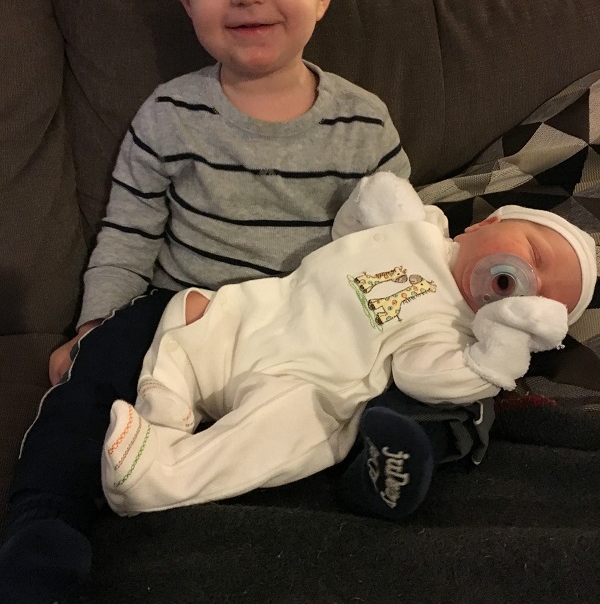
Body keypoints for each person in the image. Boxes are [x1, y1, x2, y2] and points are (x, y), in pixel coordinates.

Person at [0, 0, 410, 604]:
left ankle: (382, 469)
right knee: (81, 394)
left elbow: (392, 251)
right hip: (177, 313)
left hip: (299, 326)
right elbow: (128, 233)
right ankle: (41, 535)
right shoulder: (168, 115)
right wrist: (95, 326)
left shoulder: (365, 123)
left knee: (356, 398)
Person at [100, 173, 596, 520]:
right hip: (260, 318)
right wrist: (379, 199)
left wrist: (500, 347)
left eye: (540, 302)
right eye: (533, 254)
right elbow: (350, 230)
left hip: (306, 384)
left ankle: (157, 477)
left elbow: (422, 378)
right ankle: (165, 409)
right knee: (189, 307)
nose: (528, 281)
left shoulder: (456, 330)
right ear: (484, 225)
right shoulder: (416, 231)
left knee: (286, 428)